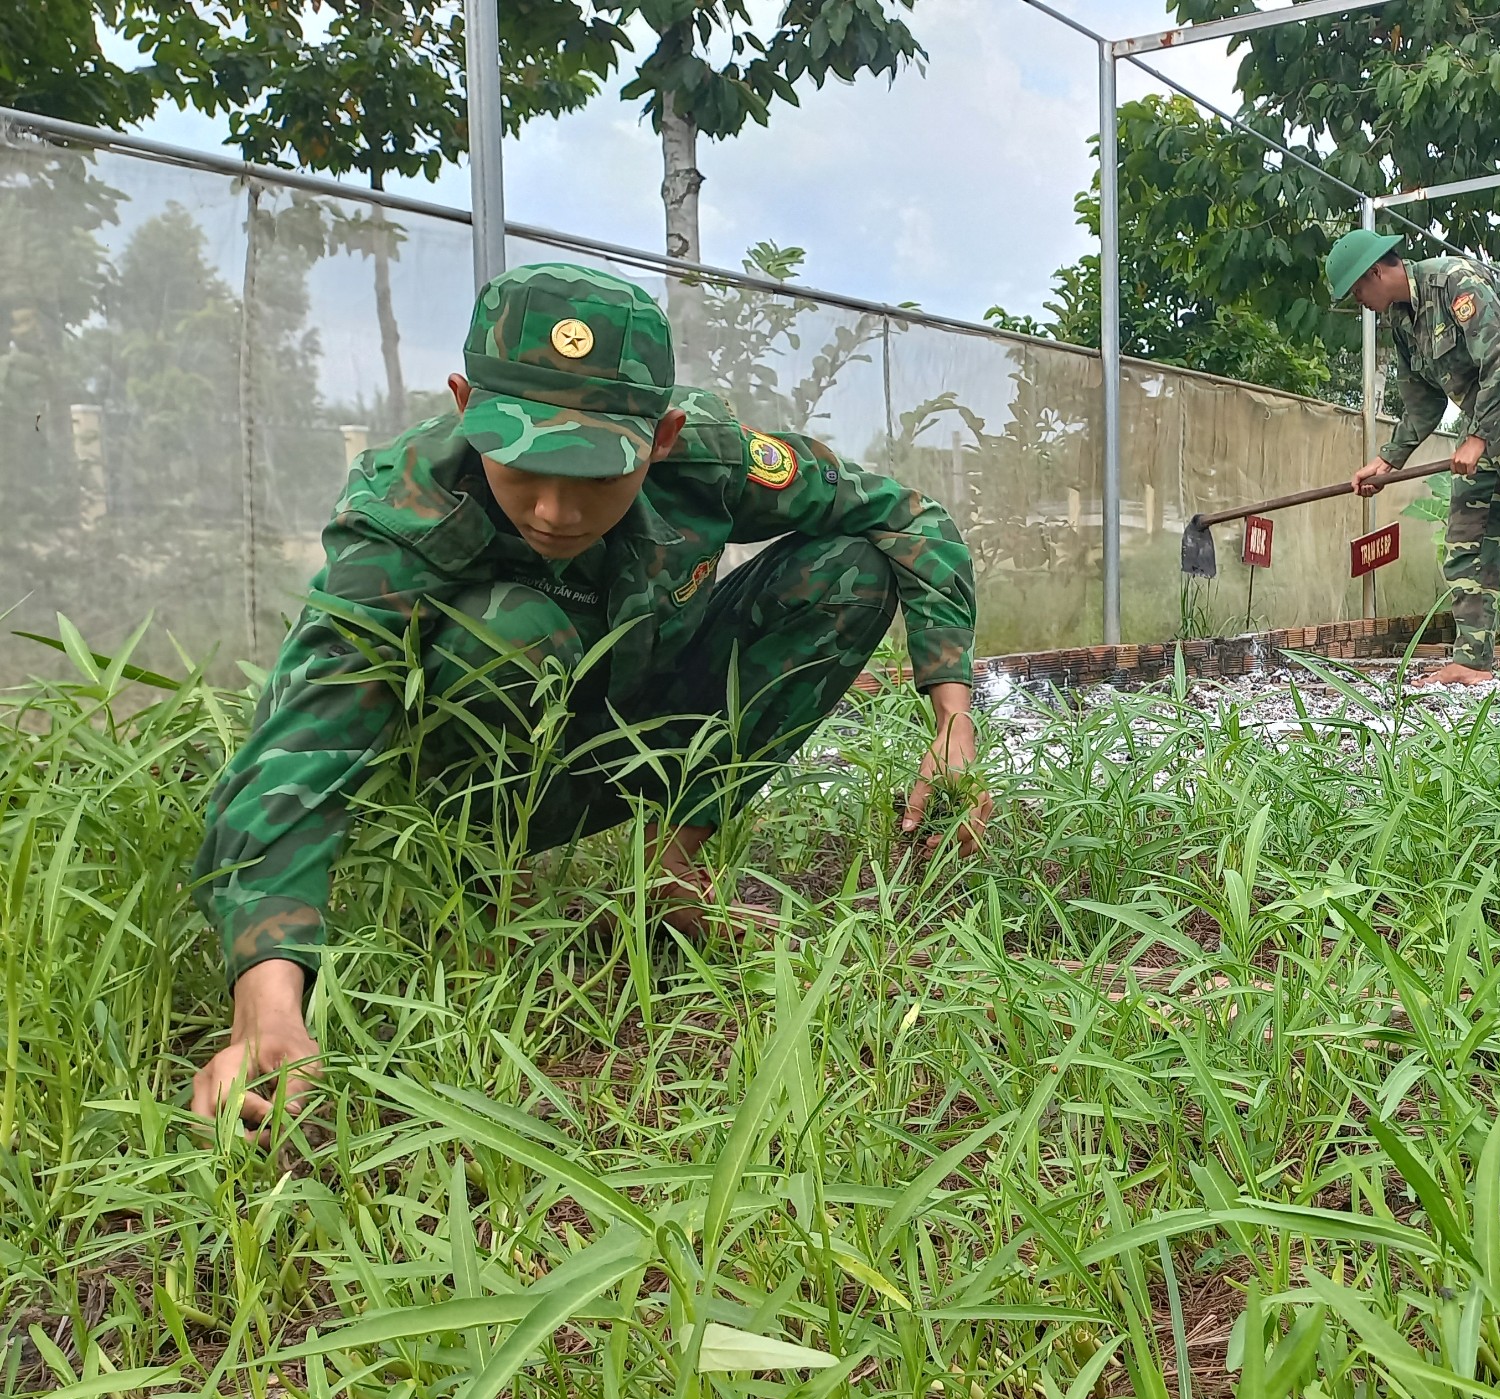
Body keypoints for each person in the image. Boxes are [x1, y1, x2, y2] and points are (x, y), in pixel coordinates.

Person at [188, 262, 987, 1129]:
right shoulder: (411, 502)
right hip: (483, 773)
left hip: (641, 726)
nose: (555, 510)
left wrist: (952, 719)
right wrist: (268, 1000)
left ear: (665, 435)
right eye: (522, 466)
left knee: (853, 573)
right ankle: (474, 901)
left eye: (599, 473)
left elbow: (910, 518)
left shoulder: (713, 457)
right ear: (464, 406)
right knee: (512, 625)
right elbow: (302, 742)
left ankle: (665, 873)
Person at [1325, 228, 1500, 691]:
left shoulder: (1455, 282)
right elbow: (1423, 402)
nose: (1357, 300)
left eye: (1357, 289)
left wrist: (1478, 437)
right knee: (1467, 535)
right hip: (1487, 419)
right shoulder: (1400, 322)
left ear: (1376, 271)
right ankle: (1473, 660)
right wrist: (1388, 462)